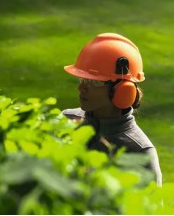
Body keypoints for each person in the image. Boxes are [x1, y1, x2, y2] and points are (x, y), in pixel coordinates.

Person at [62, 32, 162, 186]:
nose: (81, 88)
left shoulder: (140, 152)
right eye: (82, 79)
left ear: (122, 90)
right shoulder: (66, 121)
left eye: (94, 82)